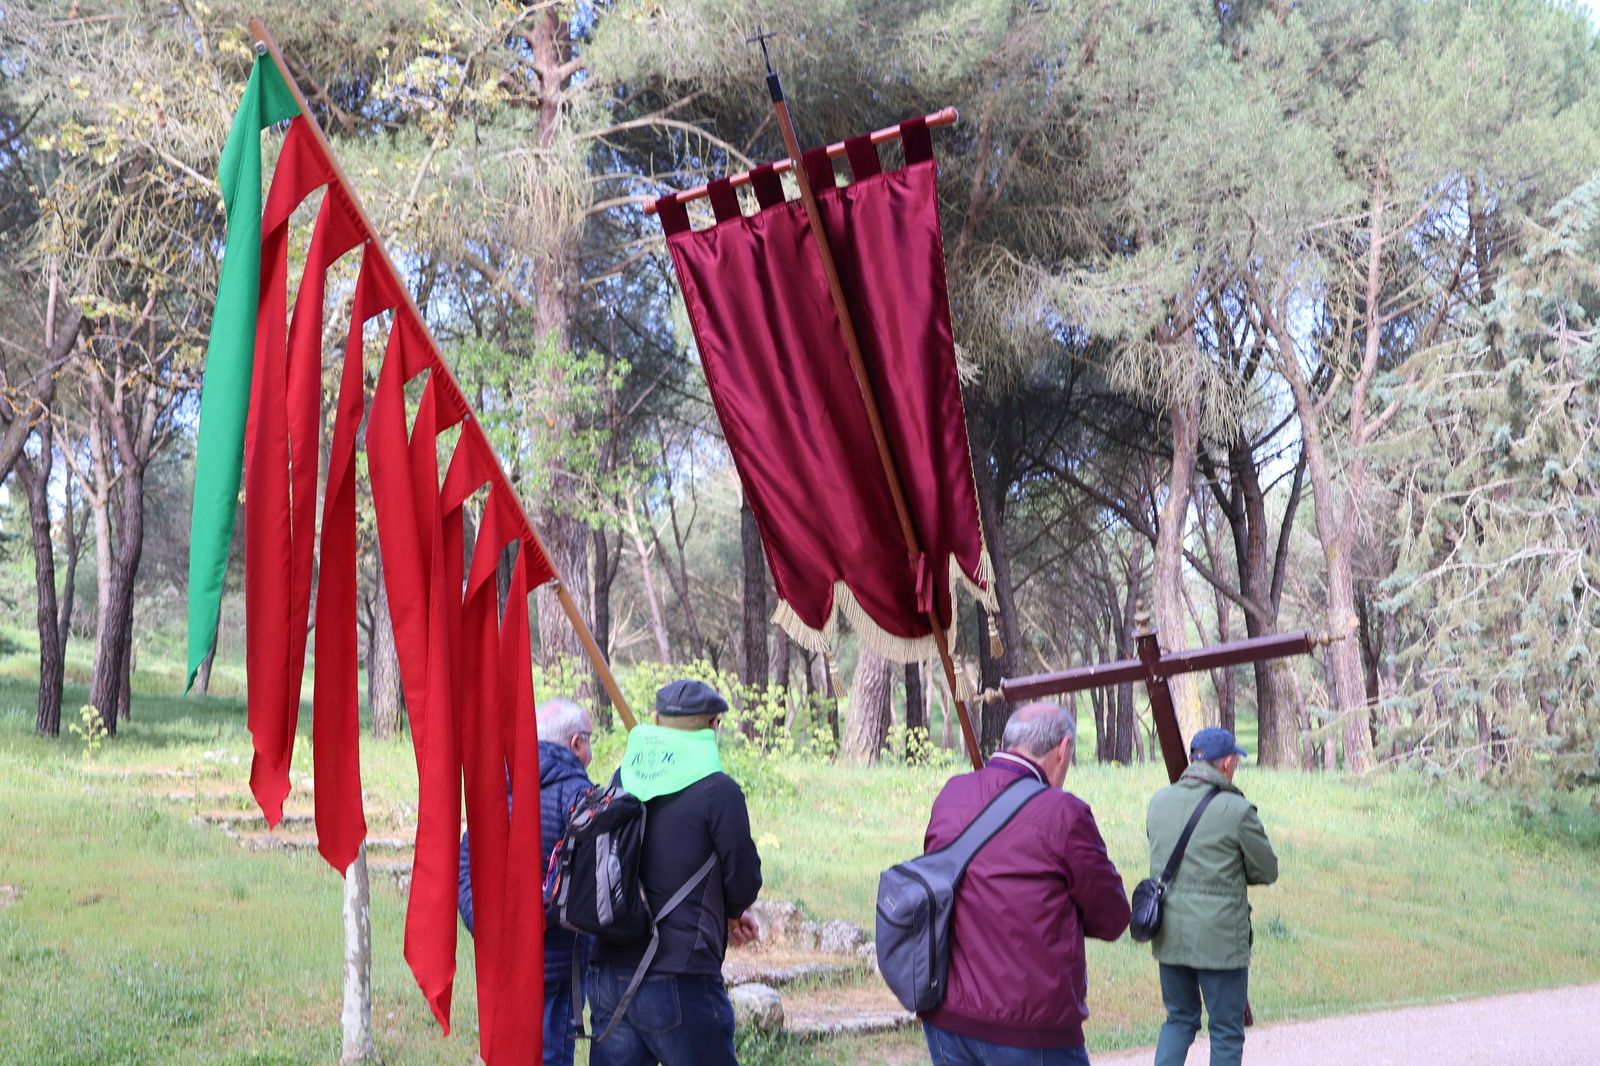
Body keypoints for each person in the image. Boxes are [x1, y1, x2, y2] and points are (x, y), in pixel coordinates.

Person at [920, 702, 1131, 1066]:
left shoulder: (952, 794)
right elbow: (1112, 918)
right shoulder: (1064, 813)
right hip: (1030, 1030)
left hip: (948, 1019)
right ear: (1063, 750)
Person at [587, 679, 763, 1066]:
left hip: (609, 974)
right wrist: (734, 914)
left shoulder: (622, 779)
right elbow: (744, 876)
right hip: (680, 978)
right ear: (713, 727)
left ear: (655, 721)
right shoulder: (719, 792)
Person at [457, 697, 595, 1066]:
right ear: (575, 744)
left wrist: (488, 927)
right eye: (590, 739)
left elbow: (464, 865)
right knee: (550, 1056)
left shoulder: (498, 786)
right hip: (559, 963)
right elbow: (591, 884)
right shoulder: (579, 797)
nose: (592, 750)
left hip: (502, 958)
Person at [1146, 726, 1279, 1066]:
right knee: (1225, 1030)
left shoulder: (1159, 802)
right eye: (1235, 760)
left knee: (1179, 1019)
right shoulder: (1237, 810)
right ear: (1227, 763)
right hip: (1220, 939)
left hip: (1170, 932)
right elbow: (1267, 870)